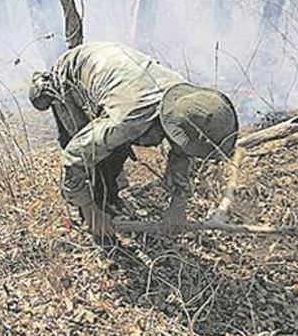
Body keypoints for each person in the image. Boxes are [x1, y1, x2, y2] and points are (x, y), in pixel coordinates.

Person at [28, 42, 238, 240]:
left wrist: (178, 204)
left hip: (118, 76)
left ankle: (110, 200)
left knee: (115, 149)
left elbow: (182, 151)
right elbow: (75, 154)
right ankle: (97, 213)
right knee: (101, 160)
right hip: (72, 77)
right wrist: (89, 209)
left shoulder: (186, 106)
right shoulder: (127, 120)